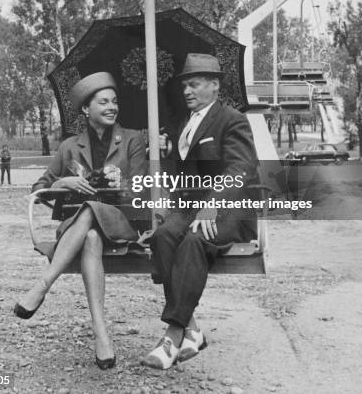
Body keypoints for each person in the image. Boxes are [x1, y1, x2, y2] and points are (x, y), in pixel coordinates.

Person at [14, 72, 147, 369]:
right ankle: (102, 336)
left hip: (121, 221)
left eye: (114, 101)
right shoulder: (69, 146)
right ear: (86, 109)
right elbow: (39, 189)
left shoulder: (133, 139)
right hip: (79, 227)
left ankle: (43, 284)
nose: (112, 106)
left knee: (90, 208)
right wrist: (64, 183)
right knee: (89, 236)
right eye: (103, 102)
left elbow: (141, 189)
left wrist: (122, 184)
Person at [142, 53, 258, 369]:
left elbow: (241, 168)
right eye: (185, 86)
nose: (187, 91)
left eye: (194, 84)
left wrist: (212, 204)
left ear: (214, 85)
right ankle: (193, 331)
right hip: (191, 207)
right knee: (164, 236)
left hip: (229, 208)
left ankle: (173, 334)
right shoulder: (184, 124)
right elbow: (185, 178)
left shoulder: (231, 119)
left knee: (194, 240)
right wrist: (164, 155)